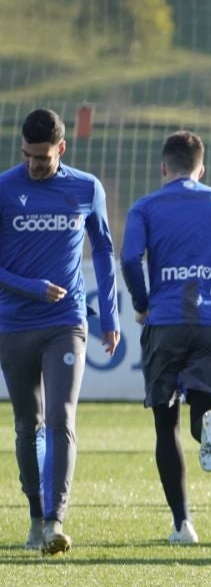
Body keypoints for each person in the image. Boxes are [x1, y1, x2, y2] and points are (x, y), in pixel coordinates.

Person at [121, 129, 211, 545]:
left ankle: (182, 524)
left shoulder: (146, 206)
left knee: (165, 425)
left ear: (164, 167)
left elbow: (130, 258)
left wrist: (142, 300)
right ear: (201, 169)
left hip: (165, 319)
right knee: (205, 408)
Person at [0, 108, 120, 555]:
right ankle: (34, 515)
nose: (35, 165)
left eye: (44, 158)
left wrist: (110, 316)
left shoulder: (85, 187)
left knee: (61, 418)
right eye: (29, 156)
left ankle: (55, 521)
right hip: (14, 323)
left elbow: (105, 250)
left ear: (62, 149)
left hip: (67, 321)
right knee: (26, 424)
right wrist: (29, 287)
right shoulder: (5, 189)